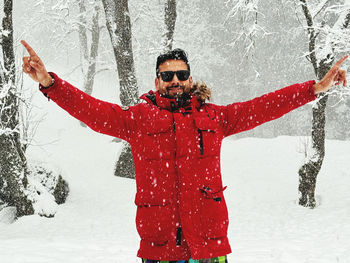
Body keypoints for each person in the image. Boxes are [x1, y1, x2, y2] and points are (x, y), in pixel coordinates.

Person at [21, 40, 347, 263]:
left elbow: (262, 107)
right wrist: (50, 82)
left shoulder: (215, 117)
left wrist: (313, 89)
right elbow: (91, 111)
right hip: (160, 242)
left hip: (208, 241)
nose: (175, 80)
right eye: (167, 75)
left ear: (190, 78)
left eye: (181, 74)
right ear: (157, 79)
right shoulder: (136, 120)